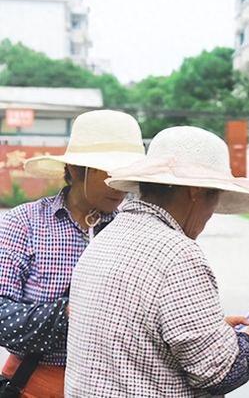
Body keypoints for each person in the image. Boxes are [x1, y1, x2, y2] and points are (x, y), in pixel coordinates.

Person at [65, 126, 249, 397]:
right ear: (197, 192)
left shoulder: (105, 238)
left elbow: (140, 331)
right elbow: (218, 371)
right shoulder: (179, 254)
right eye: (215, 197)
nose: (211, 214)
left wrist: (211, 329)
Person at [0, 110, 145, 397]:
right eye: (110, 172)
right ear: (78, 169)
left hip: (112, 385)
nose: (120, 186)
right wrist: (66, 313)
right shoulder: (24, 224)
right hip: (33, 386)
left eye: (127, 175)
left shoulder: (133, 231)